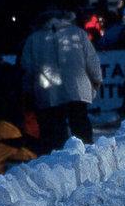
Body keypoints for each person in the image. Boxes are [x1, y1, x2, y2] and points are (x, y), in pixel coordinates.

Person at [19, 8, 103, 155]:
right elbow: (92, 60)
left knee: (55, 136)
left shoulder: (33, 39)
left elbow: (27, 69)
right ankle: (87, 159)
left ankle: (58, 167)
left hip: (48, 93)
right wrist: (96, 79)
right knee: (80, 127)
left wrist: (28, 92)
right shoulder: (78, 33)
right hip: (76, 90)